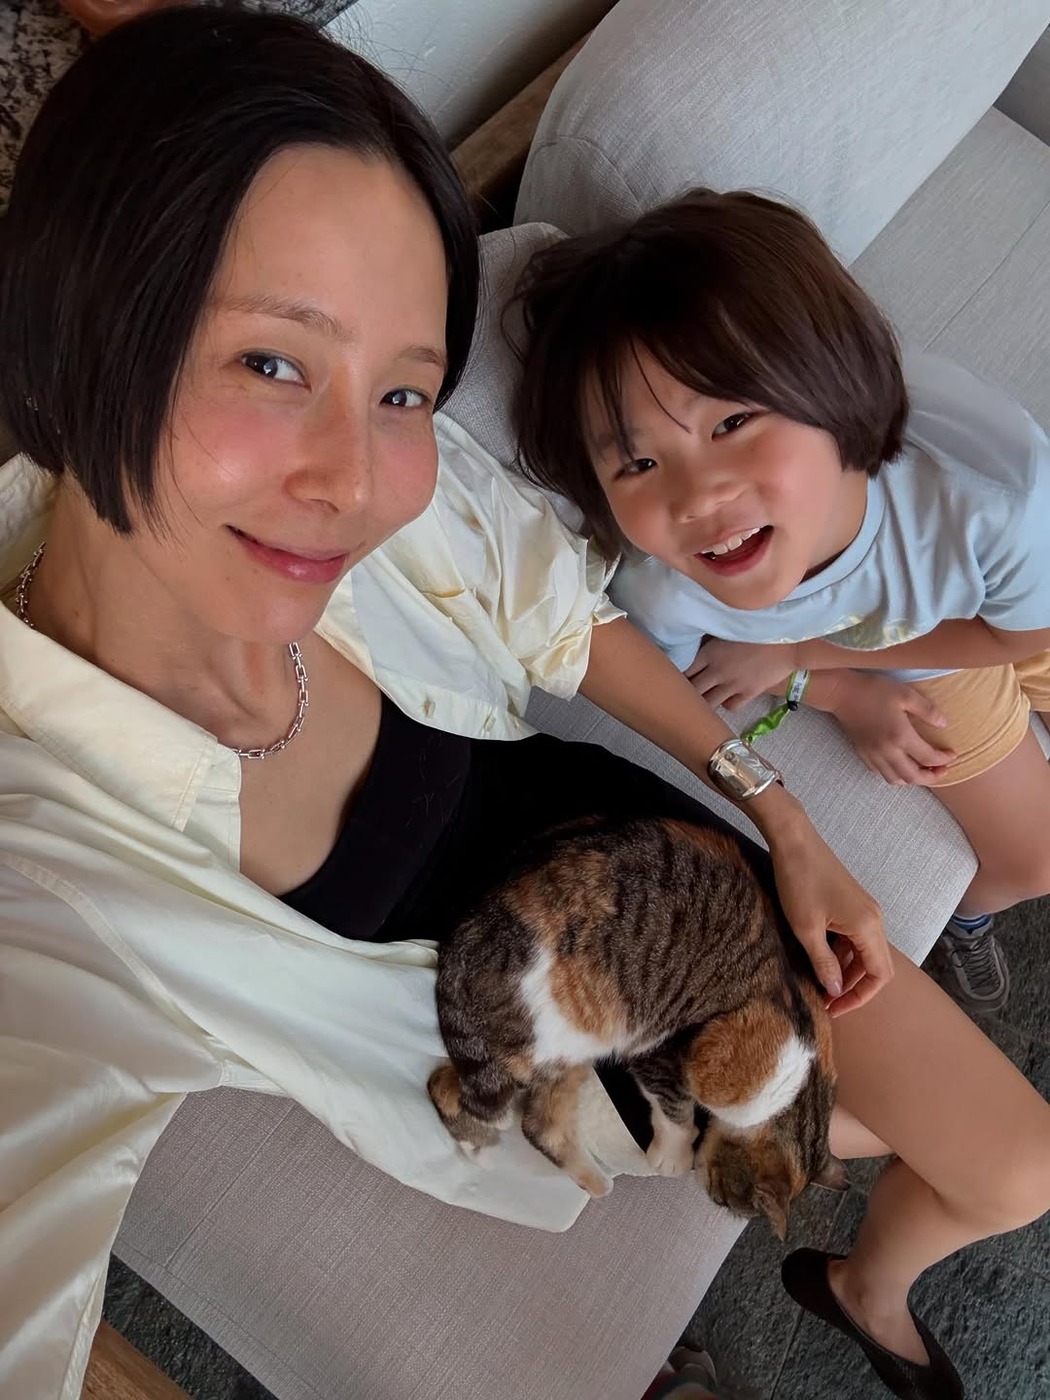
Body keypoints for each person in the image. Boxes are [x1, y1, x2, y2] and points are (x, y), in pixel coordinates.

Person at [0, 14, 1040, 1400]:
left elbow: (562, 616)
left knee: (1013, 1158)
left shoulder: (409, 510)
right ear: (71, 334)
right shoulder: (48, 875)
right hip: (533, 1064)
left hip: (654, 884)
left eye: (402, 391)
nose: (359, 482)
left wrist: (785, 820)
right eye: (271, 362)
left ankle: (851, 1268)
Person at [513, 188, 1050, 1397]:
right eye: (637, 461)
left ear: (836, 378)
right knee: (1033, 857)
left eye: (733, 419)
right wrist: (835, 690)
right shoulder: (667, 589)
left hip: (957, 616)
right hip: (887, 650)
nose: (697, 494)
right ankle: (972, 924)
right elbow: (714, 698)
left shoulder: (994, 494)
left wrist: (816, 655)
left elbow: (1022, 625)